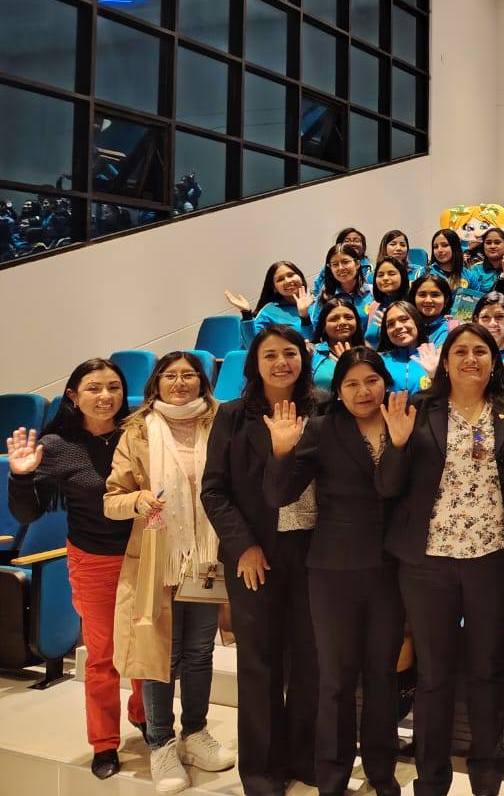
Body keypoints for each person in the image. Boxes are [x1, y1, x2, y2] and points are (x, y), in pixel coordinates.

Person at [379, 324, 504, 796]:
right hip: (428, 562)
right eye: (460, 351)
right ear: (445, 362)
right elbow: (388, 486)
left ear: (494, 361)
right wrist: (398, 445)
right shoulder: (419, 409)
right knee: (434, 675)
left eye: (480, 351)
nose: (470, 358)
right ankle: (431, 782)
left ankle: (487, 780)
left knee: (487, 670)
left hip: (494, 558)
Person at [262, 348, 410, 796]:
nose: (364, 391)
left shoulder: (406, 422)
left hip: (390, 570)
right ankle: (331, 778)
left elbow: (394, 487)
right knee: (336, 680)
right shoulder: (322, 429)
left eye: (372, 381)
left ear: (385, 382)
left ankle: (381, 773)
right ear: (339, 392)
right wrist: (281, 451)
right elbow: (279, 494)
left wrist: (399, 444)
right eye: (352, 384)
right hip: (333, 571)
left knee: (382, 675)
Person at [103, 352, 235, 795]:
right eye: (171, 376)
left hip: (208, 559)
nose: (180, 383)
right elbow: (112, 499)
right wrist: (137, 500)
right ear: (156, 383)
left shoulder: (221, 423)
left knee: (198, 652)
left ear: (203, 381)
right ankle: (160, 743)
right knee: (159, 654)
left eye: (189, 375)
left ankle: (195, 734)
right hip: (158, 560)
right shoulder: (138, 431)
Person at [6, 358, 143, 780]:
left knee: (148, 649)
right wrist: (20, 476)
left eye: (114, 387)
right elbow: (26, 513)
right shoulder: (58, 445)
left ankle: (146, 718)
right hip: (94, 560)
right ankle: (104, 743)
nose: (105, 396)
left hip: (146, 557)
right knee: (102, 657)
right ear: (73, 395)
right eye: (94, 388)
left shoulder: (138, 433)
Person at [200, 327, 320, 796]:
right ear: (255, 363)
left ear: (302, 360)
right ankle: (263, 771)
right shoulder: (233, 415)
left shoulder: (323, 407)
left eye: (290, 353)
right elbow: (214, 490)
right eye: (270, 355)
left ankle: (306, 758)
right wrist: (243, 546)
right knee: (260, 663)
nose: (281, 362)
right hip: (255, 555)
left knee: (311, 660)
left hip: (315, 551)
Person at [225, 261, 315, 350]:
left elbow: (313, 341)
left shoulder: (318, 303)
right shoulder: (269, 311)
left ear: (300, 276)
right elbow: (252, 346)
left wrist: (304, 315)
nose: (288, 280)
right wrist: (246, 313)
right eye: (280, 279)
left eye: (291, 275)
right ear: (274, 288)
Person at [377, 300, 433, 394]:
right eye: (390, 324)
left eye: (404, 319)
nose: (397, 326)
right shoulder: (378, 361)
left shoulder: (436, 357)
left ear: (417, 321)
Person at [310, 299, 364, 392]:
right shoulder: (312, 353)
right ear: (323, 325)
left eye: (348, 317)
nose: (342, 322)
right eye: (334, 319)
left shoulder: (368, 353)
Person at [364, 256, 409, 346]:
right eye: (380, 275)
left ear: (402, 276)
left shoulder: (410, 307)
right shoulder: (374, 306)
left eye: (391, 274)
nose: (385, 278)